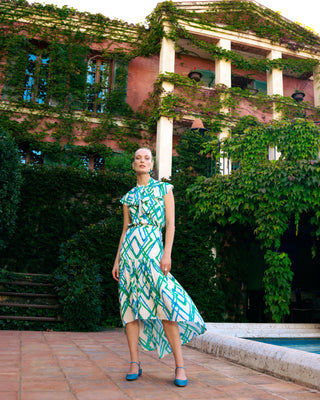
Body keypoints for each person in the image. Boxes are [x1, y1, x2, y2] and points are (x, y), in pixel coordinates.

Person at [112, 147, 206, 387]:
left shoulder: (164, 189)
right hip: (129, 256)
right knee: (129, 308)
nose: (142, 161)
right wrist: (117, 260)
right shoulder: (128, 197)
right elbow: (124, 230)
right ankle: (134, 362)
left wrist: (167, 254)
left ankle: (180, 365)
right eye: (138, 158)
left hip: (153, 252)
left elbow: (171, 226)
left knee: (166, 305)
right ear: (133, 164)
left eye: (146, 158)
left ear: (151, 164)